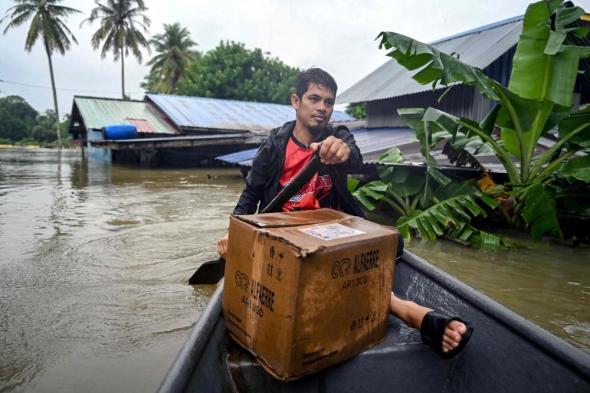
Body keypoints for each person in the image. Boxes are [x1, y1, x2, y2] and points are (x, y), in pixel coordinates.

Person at [218, 68, 472, 358]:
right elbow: (250, 195)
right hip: (285, 231)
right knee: (316, 263)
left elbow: (353, 156)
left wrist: (339, 151)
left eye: (328, 101)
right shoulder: (273, 146)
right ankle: (413, 313)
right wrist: (233, 233)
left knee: (391, 244)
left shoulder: (336, 135)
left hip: (331, 228)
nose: (322, 107)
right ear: (295, 101)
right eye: (314, 99)